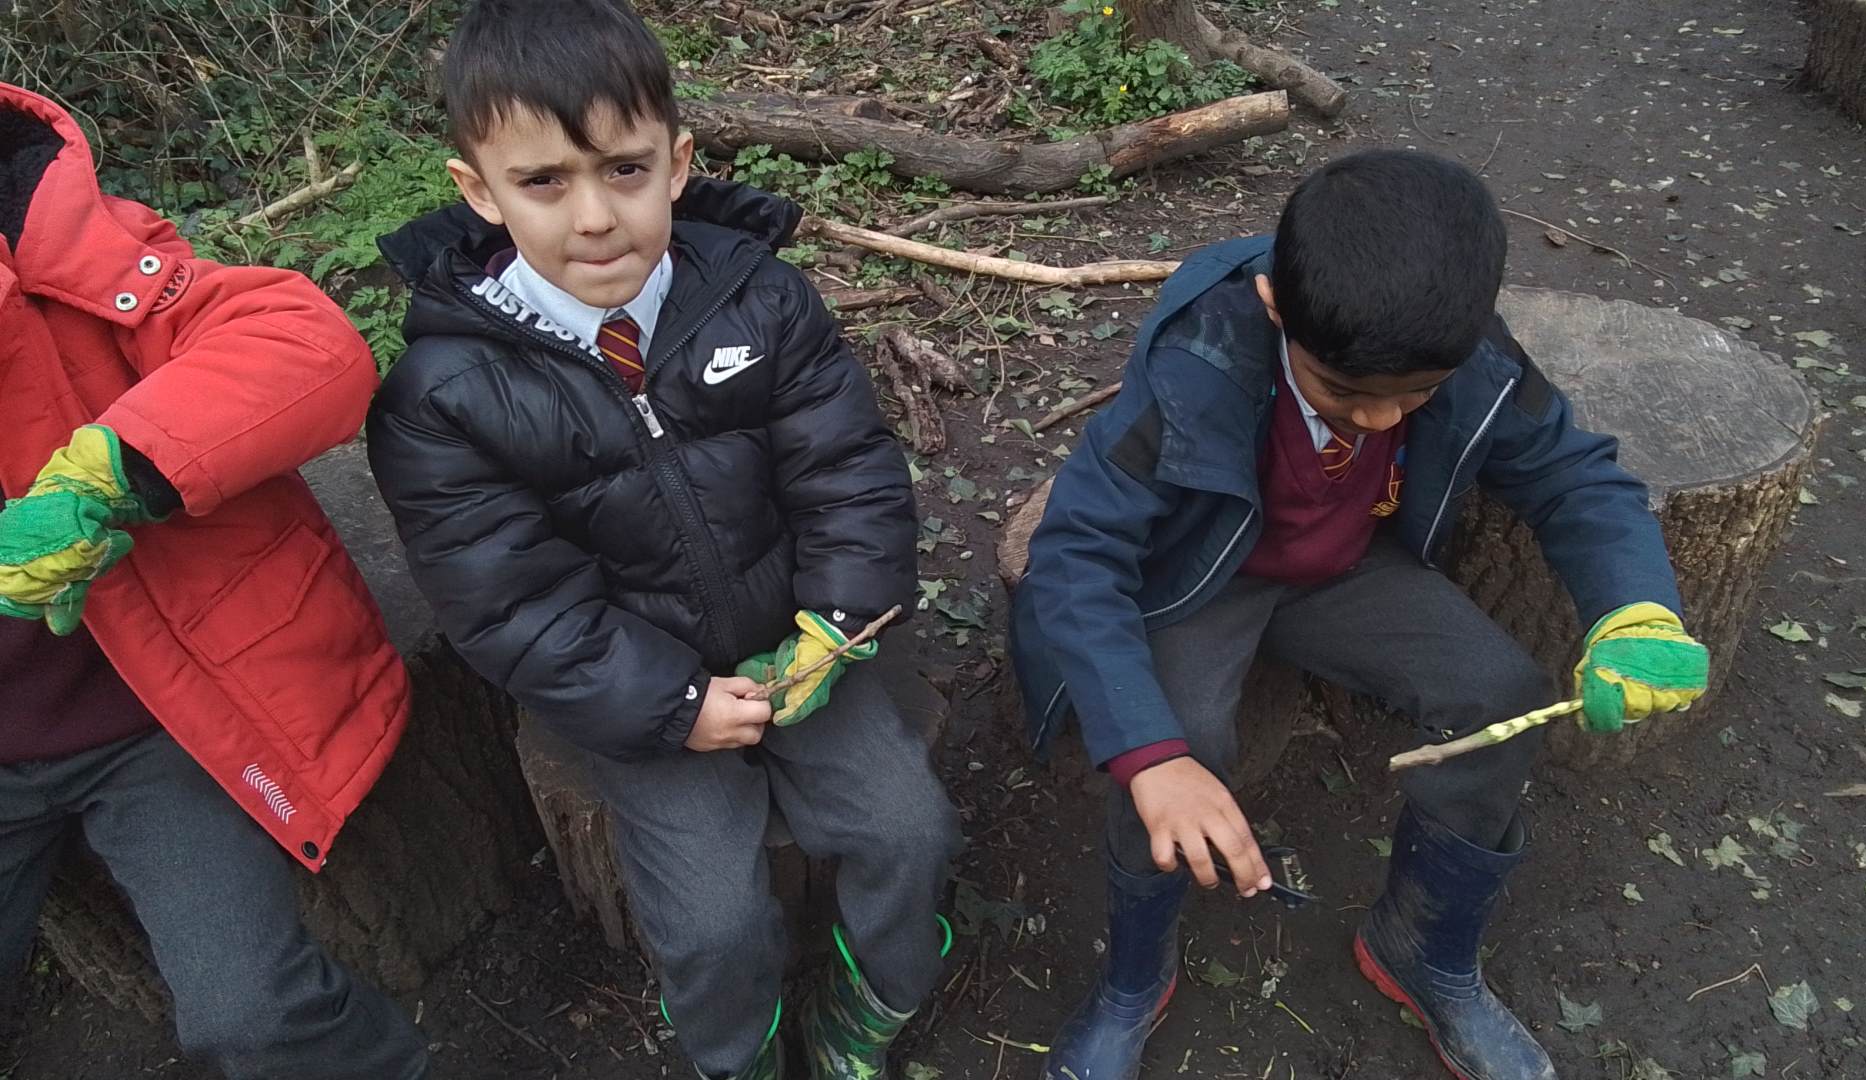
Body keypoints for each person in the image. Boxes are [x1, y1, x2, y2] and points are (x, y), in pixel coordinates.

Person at [1011, 149, 1710, 1080]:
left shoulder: (1469, 351)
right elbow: (1077, 551)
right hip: (1200, 575)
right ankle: (1133, 979)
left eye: (1413, 397)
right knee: (1179, 744)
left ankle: (1421, 946)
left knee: (1498, 693)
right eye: (1343, 393)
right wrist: (1150, 757)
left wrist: (1636, 609)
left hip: (1345, 567)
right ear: (1275, 307)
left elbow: (1573, 476)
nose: (1380, 420)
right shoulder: (1199, 358)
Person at [364, 2, 960, 1077]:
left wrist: (836, 620)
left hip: (800, 644)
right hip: (636, 692)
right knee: (710, 918)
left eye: (625, 170)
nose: (595, 218)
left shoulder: (759, 298)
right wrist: (675, 705)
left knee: (909, 828)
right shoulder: (444, 395)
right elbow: (509, 602)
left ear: (678, 165)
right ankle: (738, 1053)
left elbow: (848, 471)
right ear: (479, 191)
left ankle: (882, 993)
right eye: (544, 182)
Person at [0, 82, 426, 1077]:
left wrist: (115, 468)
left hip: (152, 722)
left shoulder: (64, 244)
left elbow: (306, 344)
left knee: (253, 1017)